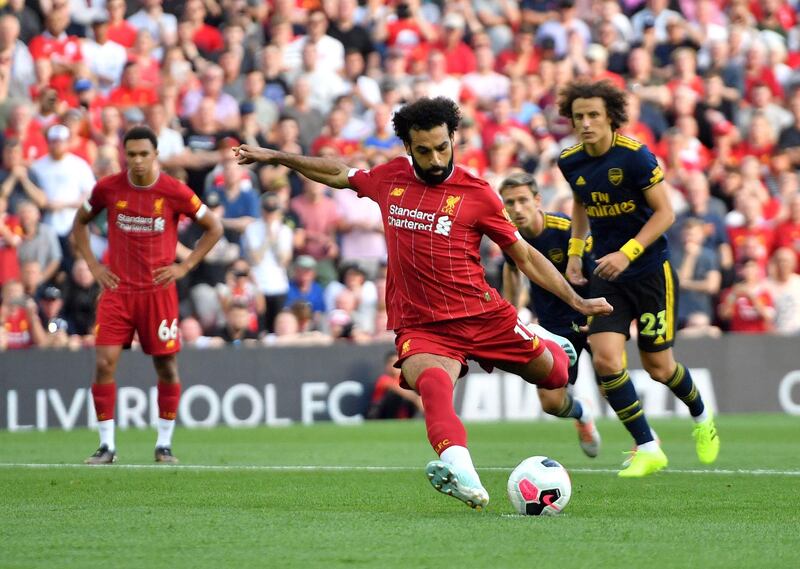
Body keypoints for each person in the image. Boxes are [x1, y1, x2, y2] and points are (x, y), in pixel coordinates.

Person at [234, 96, 612, 510]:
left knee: (556, 375)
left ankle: (558, 366)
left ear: (454, 137)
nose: (435, 159)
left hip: (483, 315)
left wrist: (575, 299)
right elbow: (339, 172)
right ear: (408, 147)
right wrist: (276, 156)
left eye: (442, 147)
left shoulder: (479, 194)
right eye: (423, 151)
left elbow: (523, 255)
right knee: (431, 384)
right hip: (423, 324)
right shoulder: (390, 178)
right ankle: (463, 473)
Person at [557, 80, 720, 478]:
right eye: (579, 116)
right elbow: (581, 203)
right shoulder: (570, 161)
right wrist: (576, 253)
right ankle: (648, 446)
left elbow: (666, 214)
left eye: (593, 115)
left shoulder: (636, 157)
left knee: (660, 368)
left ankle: (702, 415)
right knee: (608, 360)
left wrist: (627, 252)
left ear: (611, 116)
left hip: (649, 272)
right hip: (607, 275)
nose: (586, 123)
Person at [71, 126, 223, 465]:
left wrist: (185, 267)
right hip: (117, 291)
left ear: (155, 155)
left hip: (158, 293)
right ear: (125, 155)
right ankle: (106, 446)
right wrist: (95, 267)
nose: (137, 161)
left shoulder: (174, 191)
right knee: (103, 364)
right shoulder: (108, 188)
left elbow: (215, 228)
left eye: (144, 154)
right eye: (132, 154)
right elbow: (78, 223)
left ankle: (164, 445)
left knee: (166, 367)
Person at [498, 173, 600, 458]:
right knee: (551, 403)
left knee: (611, 385)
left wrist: (598, 318)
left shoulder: (565, 230)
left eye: (522, 201)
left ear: (537, 201)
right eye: (510, 203)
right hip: (554, 325)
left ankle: (644, 444)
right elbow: (512, 268)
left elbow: (596, 271)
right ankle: (581, 413)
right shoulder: (510, 236)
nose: (517, 208)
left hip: (591, 316)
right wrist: (510, 312)